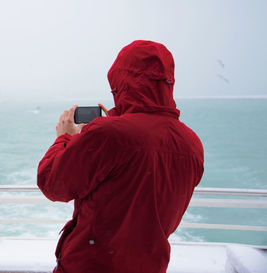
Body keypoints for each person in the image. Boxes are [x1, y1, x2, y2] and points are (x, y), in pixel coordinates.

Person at [37, 40, 204, 273]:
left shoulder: (109, 134)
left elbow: (51, 184)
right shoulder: (192, 143)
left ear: (121, 82)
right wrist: (110, 123)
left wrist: (65, 137)